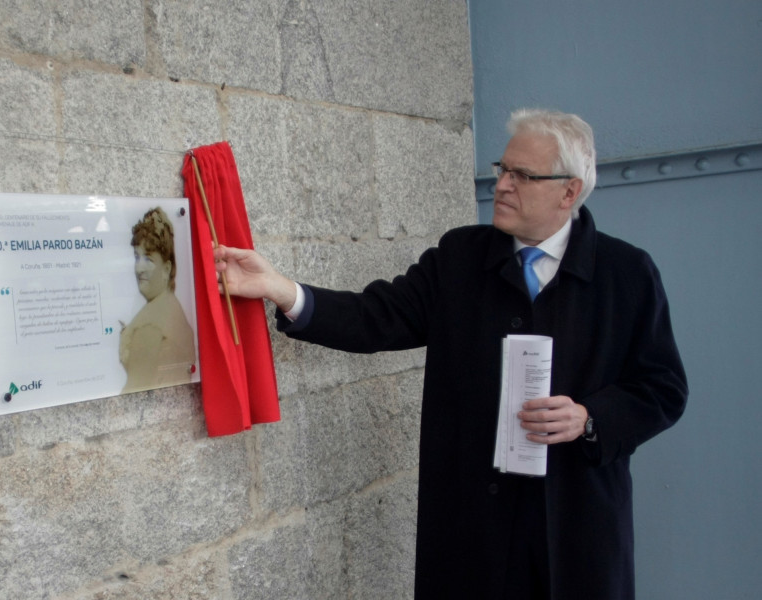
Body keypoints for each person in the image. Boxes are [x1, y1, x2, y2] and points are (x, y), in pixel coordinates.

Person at [212, 109, 688, 599]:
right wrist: (280, 289)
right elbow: (378, 316)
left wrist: (589, 418)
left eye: (521, 175)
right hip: (472, 529)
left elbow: (662, 389)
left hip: (576, 525)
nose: (501, 185)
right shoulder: (461, 256)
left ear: (569, 192)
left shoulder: (626, 273)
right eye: (502, 168)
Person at [120, 207, 196, 393]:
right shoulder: (170, 307)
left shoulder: (150, 327)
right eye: (137, 257)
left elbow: (132, 392)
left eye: (149, 259)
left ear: (166, 268)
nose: (139, 269)